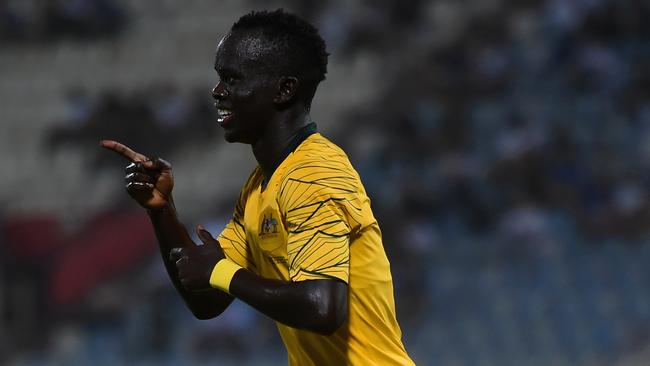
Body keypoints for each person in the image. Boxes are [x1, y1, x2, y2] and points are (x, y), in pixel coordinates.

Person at [101, 9, 414, 365]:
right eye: (219, 79)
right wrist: (161, 211)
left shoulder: (314, 172)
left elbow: (323, 308)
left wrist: (221, 272)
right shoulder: (261, 185)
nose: (217, 92)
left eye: (232, 79)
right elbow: (206, 300)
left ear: (284, 90)